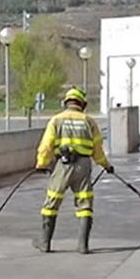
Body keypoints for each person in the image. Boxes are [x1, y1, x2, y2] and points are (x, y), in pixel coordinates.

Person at [33, 87, 112, 255]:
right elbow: (98, 149)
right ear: (82, 104)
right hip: (84, 166)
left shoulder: (56, 120)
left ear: (66, 102)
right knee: (85, 203)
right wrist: (106, 165)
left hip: (63, 166)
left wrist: (41, 163)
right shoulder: (89, 121)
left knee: (52, 202)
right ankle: (83, 245)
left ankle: (45, 242)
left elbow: (46, 145)